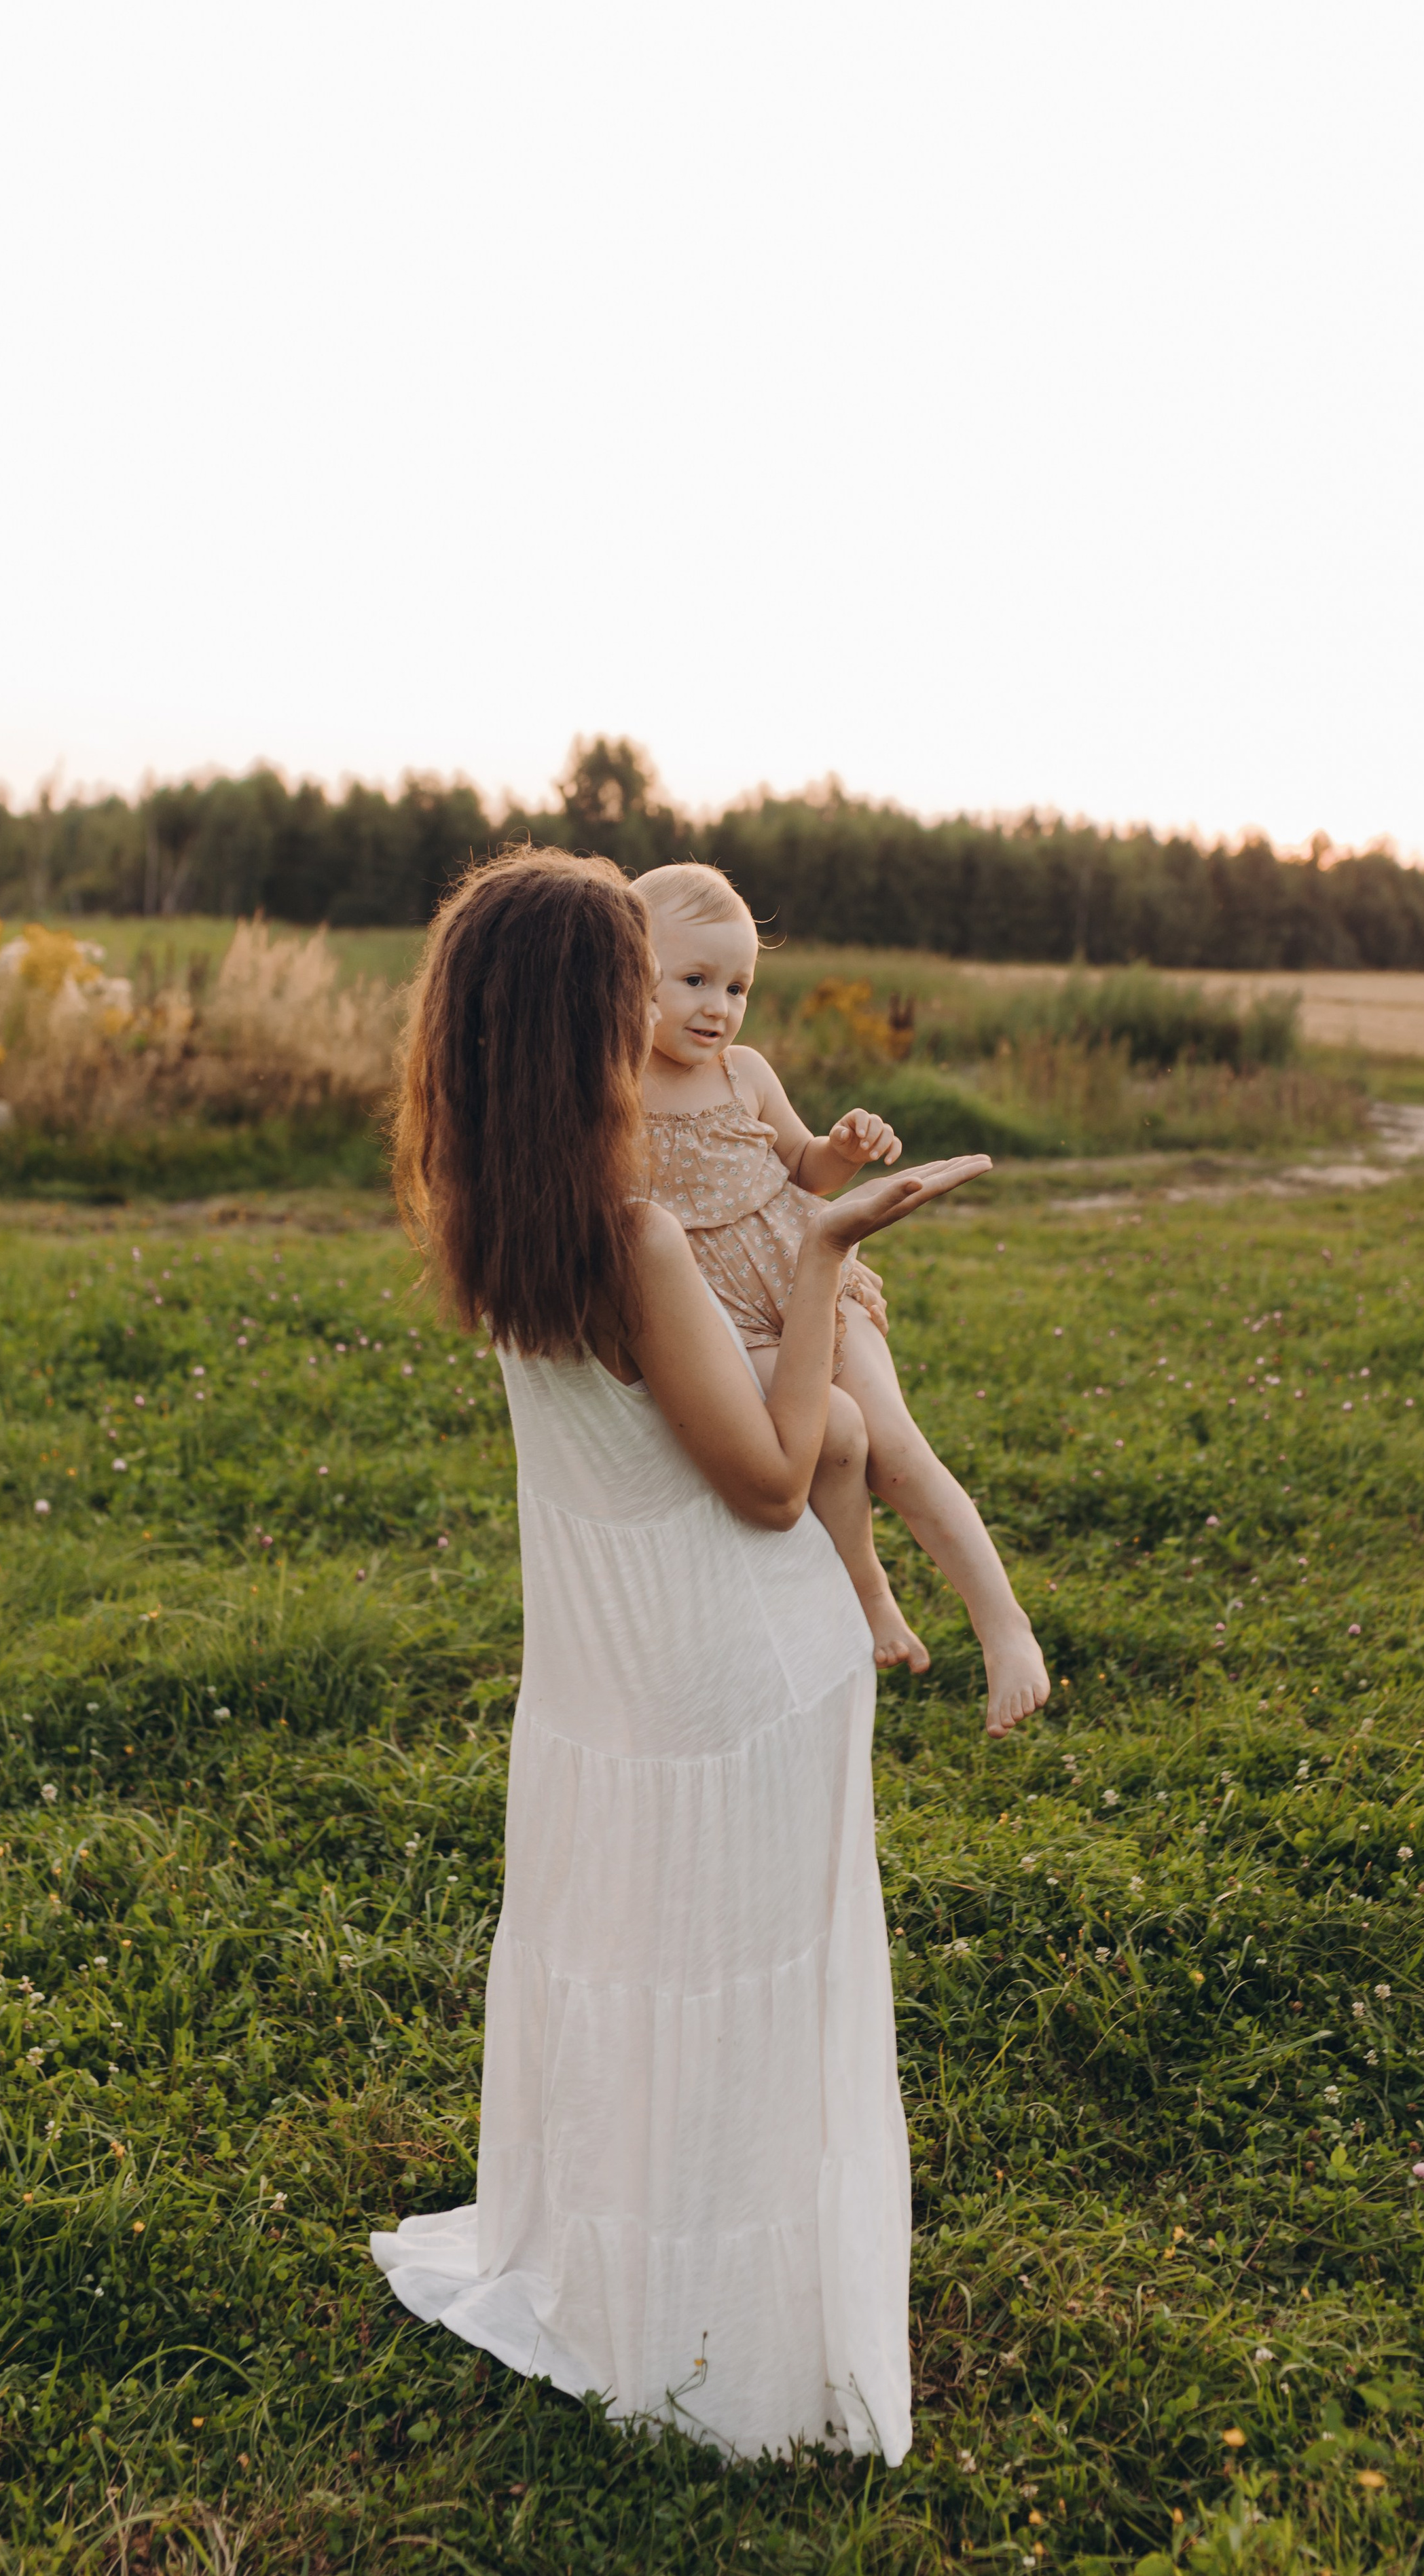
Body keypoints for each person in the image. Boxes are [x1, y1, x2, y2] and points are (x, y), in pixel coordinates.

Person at [369, 847, 989, 2464]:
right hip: (733, 1675)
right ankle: (728, 2323)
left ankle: (634, 2259)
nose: (669, 1015)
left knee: (640, 1976)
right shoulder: (633, 1235)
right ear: (587, 1019)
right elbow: (781, 1480)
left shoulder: (485, 1209)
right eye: (634, 992)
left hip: (603, 1680)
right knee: (736, 2006)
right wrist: (820, 1252)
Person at [636, 861, 1050, 1739]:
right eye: (694, 981)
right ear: (631, 978)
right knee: (826, 1437)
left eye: (739, 985)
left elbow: (804, 1166)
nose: (719, 1007)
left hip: (811, 1279)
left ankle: (1003, 1625)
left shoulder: (744, 1074)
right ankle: (869, 1593)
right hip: (724, 1320)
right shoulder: (614, 1091)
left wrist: (845, 1149)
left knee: (896, 1446)